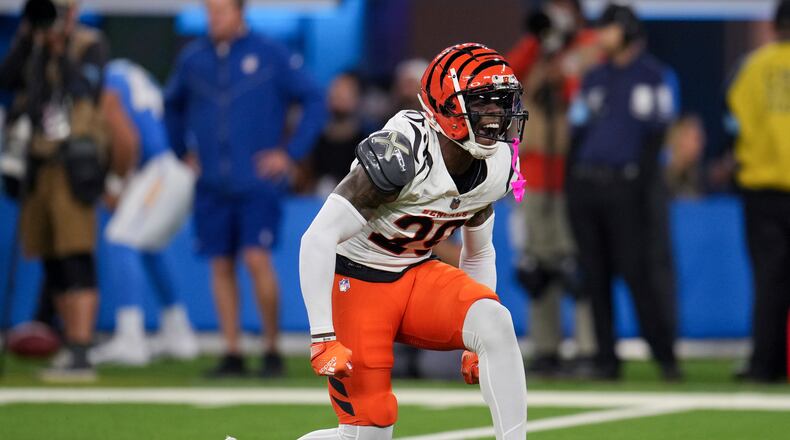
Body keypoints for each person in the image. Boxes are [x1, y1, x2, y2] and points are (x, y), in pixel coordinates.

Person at [298, 43, 529, 440]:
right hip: (356, 283)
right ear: (446, 108)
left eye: (501, 104)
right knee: (369, 433)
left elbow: (479, 250)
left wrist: (476, 344)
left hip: (415, 273)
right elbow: (317, 237)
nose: (496, 117)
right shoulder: (402, 151)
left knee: (495, 323)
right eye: (483, 105)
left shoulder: (497, 164)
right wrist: (322, 335)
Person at [164, 0, 326, 378]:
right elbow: (171, 105)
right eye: (209, 12)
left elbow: (314, 99)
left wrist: (290, 154)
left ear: (240, 12)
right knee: (220, 263)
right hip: (211, 184)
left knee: (256, 258)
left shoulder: (270, 53)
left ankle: (271, 349)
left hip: (257, 182)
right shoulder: (194, 58)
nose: (213, 19)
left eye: (220, 12)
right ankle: (232, 351)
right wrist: (181, 152)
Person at [566, 3, 682, 381]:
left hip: (626, 188)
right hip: (589, 185)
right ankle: (606, 360)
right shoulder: (594, 77)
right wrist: (573, 185)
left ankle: (664, 356)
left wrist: (639, 186)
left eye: (609, 28)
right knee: (595, 275)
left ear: (628, 30)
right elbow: (577, 130)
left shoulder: (652, 76)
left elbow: (657, 134)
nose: (601, 35)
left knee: (637, 273)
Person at [0, 0, 108, 382]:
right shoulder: (34, 46)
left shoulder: (88, 44)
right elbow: (7, 81)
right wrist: (28, 39)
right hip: (38, 163)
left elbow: (85, 91)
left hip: (71, 163)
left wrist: (61, 50)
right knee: (51, 257)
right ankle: (69, 343)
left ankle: (82, 348)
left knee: (76, 253)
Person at [506, 0, 598, 376]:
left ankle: (589, 349)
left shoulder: (589, 44)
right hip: (532, 174)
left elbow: (582, 89)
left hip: (573, 173)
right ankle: (546, 348)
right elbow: (507, 76)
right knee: (537, 266)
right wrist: (538, 41)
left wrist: (565, 51)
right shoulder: (538, 49)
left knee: (576, 264)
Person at [88, 59, 199, 366]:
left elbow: (128, 138)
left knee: (120, 239)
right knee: (150, 246)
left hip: (158, 168)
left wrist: (114, 183)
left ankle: (130, 338)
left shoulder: (107, 78)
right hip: (176, 169)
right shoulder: (134, 73)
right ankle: (179, 334)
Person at [727, 0, 790, 383]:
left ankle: (765, 365)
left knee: (769, 280)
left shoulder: (753, 67)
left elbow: (731, 122)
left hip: (764, 190)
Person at [302, 72, 368, 197]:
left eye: (345, 94)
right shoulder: (315, 138)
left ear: (357, 99)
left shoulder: (367, 142)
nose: (338, 97)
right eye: (335, 93)